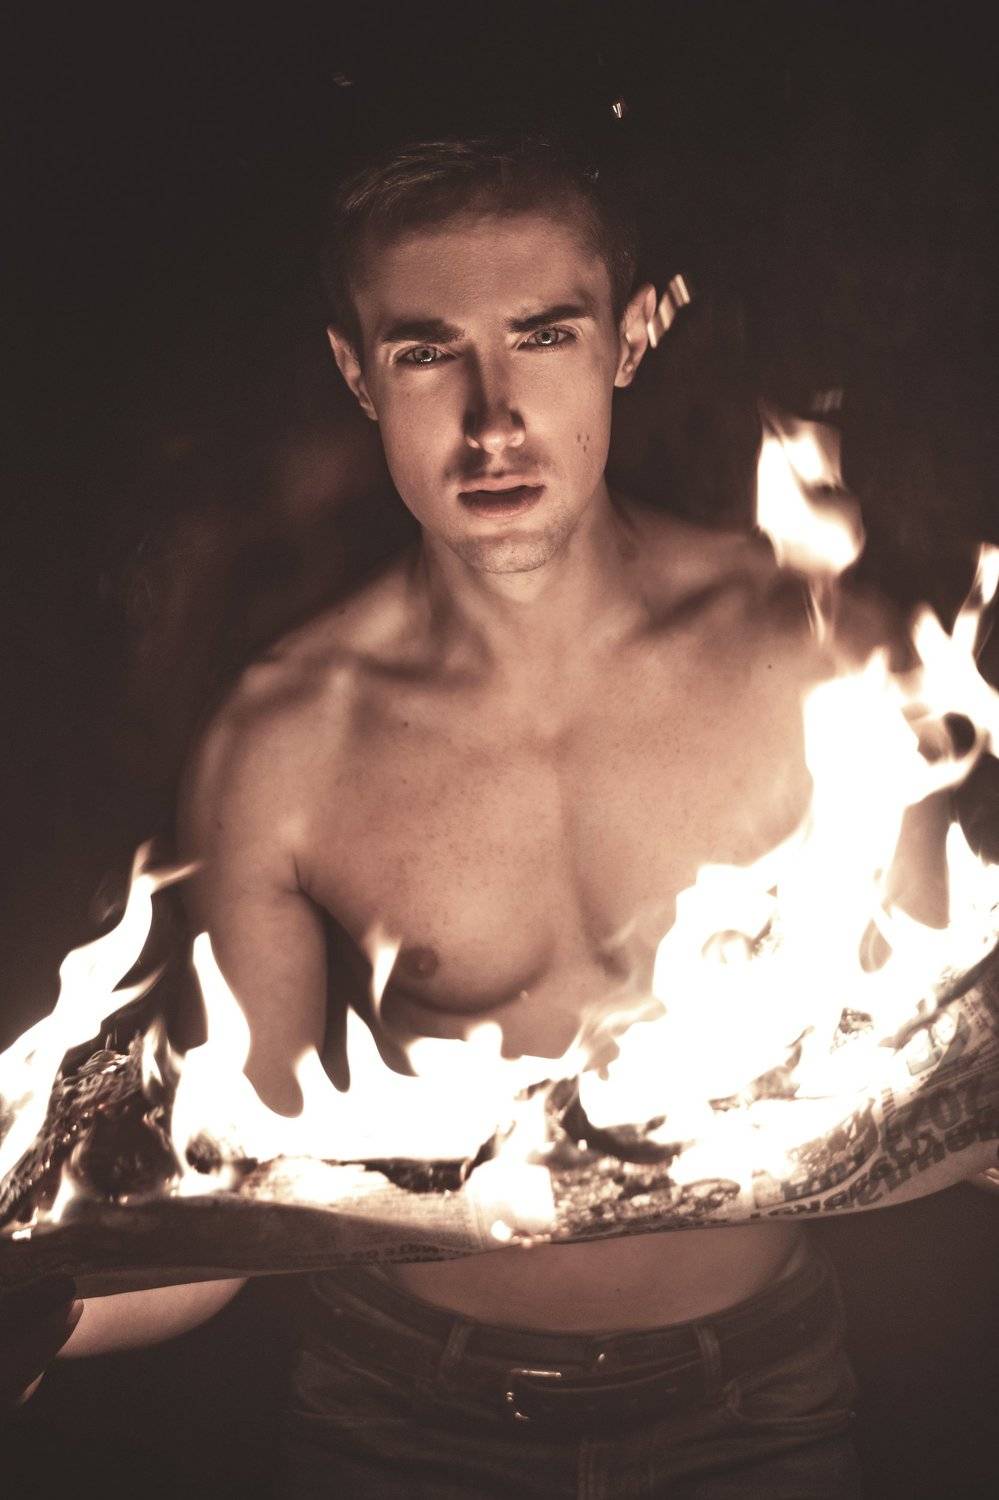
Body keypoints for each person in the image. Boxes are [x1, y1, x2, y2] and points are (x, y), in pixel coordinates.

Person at [6, 132, 993, 1496]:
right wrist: (29, 1322)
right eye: (427, 353)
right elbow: (232, 1223)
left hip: (753, 1408)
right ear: (358, 372)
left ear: (629, 339)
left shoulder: (823, 662)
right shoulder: (286, 745)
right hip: (399, 1418)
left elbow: (943, 1108)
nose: (493, 421)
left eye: (544, 336)